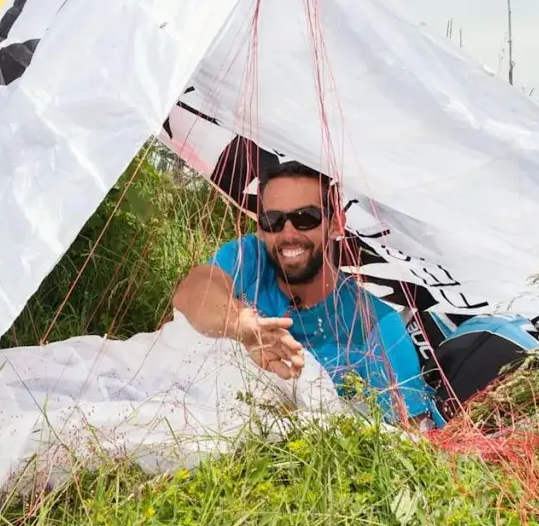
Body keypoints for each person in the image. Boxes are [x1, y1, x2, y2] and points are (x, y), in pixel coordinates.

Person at [171, 159, 443, 428]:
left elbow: (414, 432)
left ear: (336, 223)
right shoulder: (251, 257)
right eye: (273, 221)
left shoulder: (376, 325)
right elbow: (194, 291)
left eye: (305, 218)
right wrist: (243, 325)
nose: (288, 234)